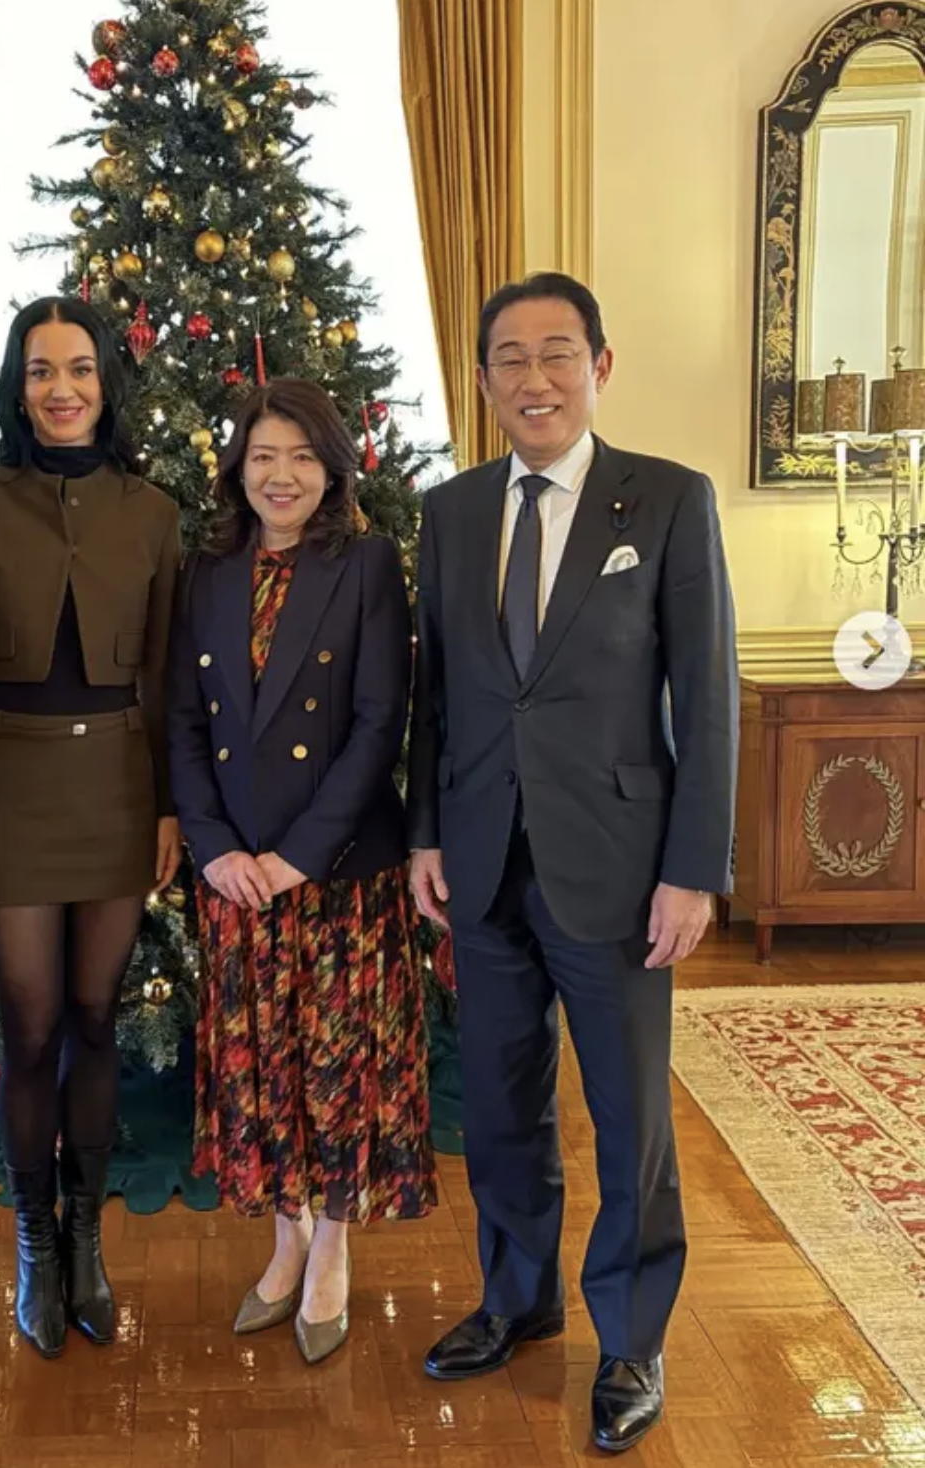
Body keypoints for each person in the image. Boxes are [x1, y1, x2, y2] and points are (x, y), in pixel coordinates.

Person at [406, 272, 736, 1454]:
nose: (534, 378)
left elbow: (705, 699)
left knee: (630, 1113)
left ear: (601, 366)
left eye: (557, 353)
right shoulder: (448, 514)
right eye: (510, 357)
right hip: (484, 862)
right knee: (499, 1104)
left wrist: (694, 868)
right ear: (484, 377)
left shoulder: (668, 501)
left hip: (620, 868)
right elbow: (436, 698)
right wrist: (425, 834)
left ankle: (634, 1335)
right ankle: (516, 1296)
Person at [168, 378, 436, 1367]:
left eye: (301, 458)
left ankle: (331, 1245)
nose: (279, 476)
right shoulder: (206, 572)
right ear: (239, 467)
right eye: (262, 456)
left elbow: (379, 726)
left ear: (332, 469)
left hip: (335, 876)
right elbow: (184, 726)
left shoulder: (365, 564)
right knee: (265, 1075)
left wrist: (293, 856)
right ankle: (281, 1242)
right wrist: (216, 848)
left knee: (334, 1074)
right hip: (238, 879)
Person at [0, 297, 181, 1359]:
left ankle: (89, 1235)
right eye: (40, 371)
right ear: (16, 384)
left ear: (105, 380)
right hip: (17, 781)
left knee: (97, 1013)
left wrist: (173, 800)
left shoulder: (154, 510)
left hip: (123, 780)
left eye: (79, 368)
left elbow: (174, 670)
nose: (61, 389)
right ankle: (36, 1238)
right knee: (31, 1025)